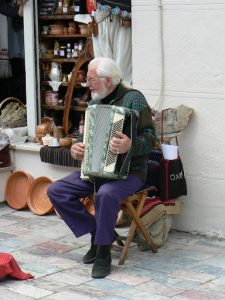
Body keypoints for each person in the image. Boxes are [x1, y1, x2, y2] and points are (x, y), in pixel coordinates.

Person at [47, 57, 156, 279]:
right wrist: (77, 148)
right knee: (56, 190)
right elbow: (86, 137)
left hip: (130, 172)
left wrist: (130, 145)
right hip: (95, 170)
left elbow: (151, 138)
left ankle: (103, 252)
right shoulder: (95, 103)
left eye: (91, 79)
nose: (87, 84)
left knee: (106, 194)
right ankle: (98, 231)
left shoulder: (134, 99)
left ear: (107, 80)